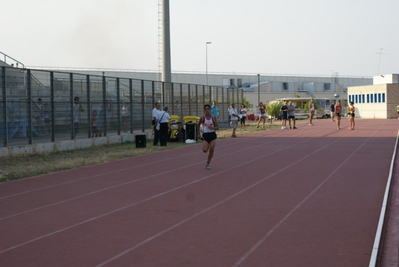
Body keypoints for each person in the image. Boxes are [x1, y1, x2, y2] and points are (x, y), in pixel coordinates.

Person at [197, 104, 219, 170]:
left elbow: (217, 127)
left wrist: (212, 128)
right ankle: (207, 144)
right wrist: (198, 134)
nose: (207, 110)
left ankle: (208, 163)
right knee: (204, 150)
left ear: (210, 110)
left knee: (212, 149)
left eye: (208, 109)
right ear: (204, 110)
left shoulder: (213, 117)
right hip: (205, 135)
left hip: (212, 134)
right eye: (205, 109)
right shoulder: (203, 117)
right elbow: (198, 125)